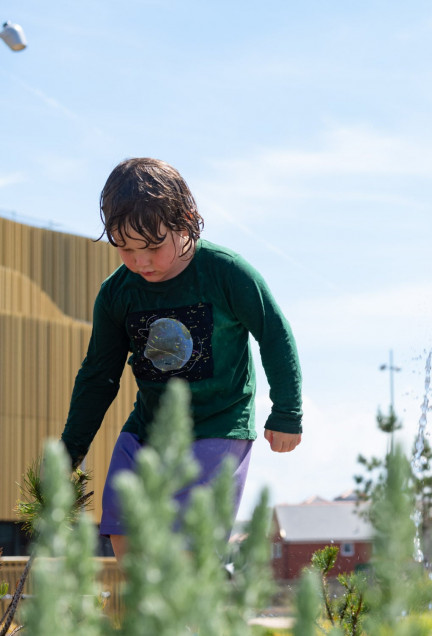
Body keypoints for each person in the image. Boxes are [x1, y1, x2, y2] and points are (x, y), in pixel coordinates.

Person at [60, 158, 303, 563]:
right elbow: (98, 376)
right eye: (125, 248)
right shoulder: (118, 293)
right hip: (147, 428)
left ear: (186, 219)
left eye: (153, 246)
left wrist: (287, 412)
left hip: (218, 425)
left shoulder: (227, 273)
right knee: (121, 527)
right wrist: (70, 450)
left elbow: (275, 335)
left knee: (191, 545)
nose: (141, 262)